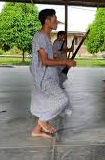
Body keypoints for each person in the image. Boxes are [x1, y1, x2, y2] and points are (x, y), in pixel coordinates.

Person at [30, 9, 76, 138]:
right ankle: (42, 120)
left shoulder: (46, 37)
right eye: (54, 19)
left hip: (50, 75)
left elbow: (46, 57)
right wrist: (65, 60)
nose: (56, 22)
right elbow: (44, 61)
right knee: (62, 99)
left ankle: (37, 130)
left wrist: (56, 56)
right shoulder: (40, 36)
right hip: (44, 77)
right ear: (47, 21)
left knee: (48, 101)